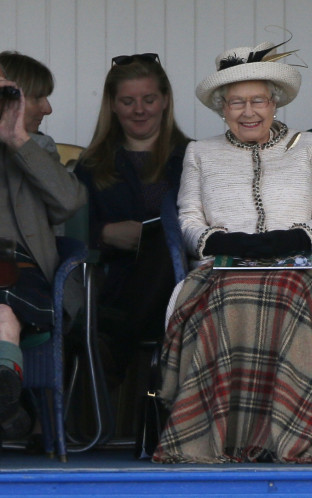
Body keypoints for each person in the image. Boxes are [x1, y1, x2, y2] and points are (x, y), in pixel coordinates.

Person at [154, 40, 312, 463]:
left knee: (289, 298)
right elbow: (187, 220)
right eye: (236, 102)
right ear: (221, 108)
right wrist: (223, 243)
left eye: (258, 100)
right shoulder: (200, 153)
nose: (248, 112)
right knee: (224, 301)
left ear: (275, 103)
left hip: (302, 270)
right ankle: (222, 436)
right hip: (221, 272)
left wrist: (292, 240)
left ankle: (293, 435)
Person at [75, 53, 190, 387]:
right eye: (128, 101)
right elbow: (63, 237)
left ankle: (116, 349)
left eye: (149, 99)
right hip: (113, 283)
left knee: (167, 242)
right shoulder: (92, 165)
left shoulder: (194, 158)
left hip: (183, 288)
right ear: (112, 104)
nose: (139, 110)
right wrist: (104, 234)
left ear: (165, 101)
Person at [0, 61, 86, 439]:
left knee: (4, 307)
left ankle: (9, 404)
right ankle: (9, 409)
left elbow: (69, 202)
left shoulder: (39, 147)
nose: (47, 109)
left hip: (20, 271)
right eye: (36, 97)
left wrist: (17, 140)